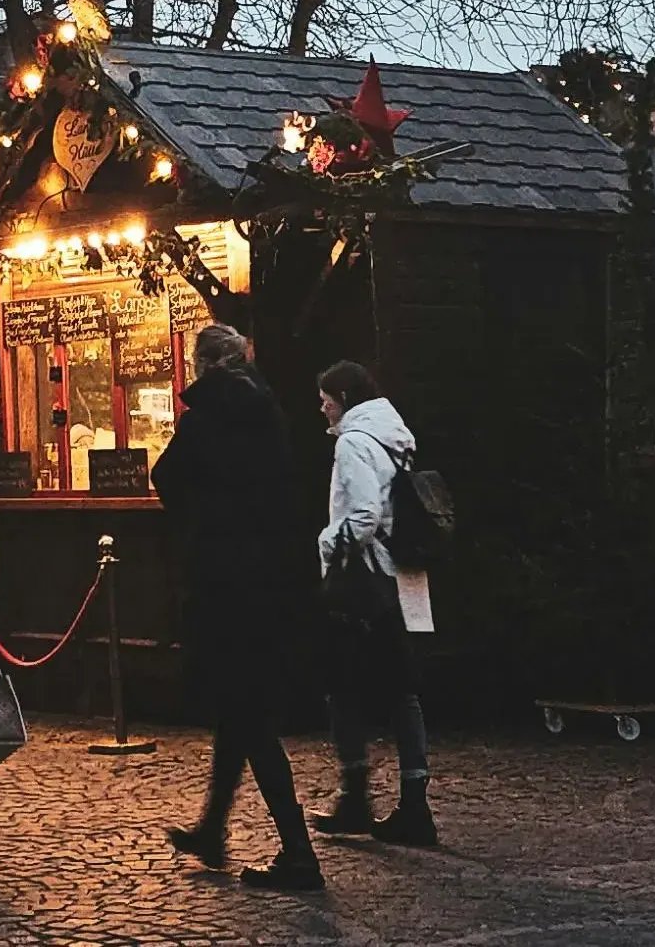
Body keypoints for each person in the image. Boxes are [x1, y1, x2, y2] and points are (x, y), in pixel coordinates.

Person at [152, 325, 324, 891]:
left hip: (223, 585)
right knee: (239, 710)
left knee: (247, 718)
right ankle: (212, 828)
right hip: (272, 583)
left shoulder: (202, 421)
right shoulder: (270, 413)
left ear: (200, 365)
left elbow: (165, 478)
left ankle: (299, 855)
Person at [310, 360, 436, 847]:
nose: (321, 406)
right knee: (401, 690)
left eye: (326, 396)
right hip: (396, 577)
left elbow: (362, 515)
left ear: (343, 396)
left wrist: (328, 543)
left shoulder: (354, 443)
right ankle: (412, 799)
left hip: (362, 580)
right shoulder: (393, 437)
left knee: (342, 686)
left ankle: (358, 795)